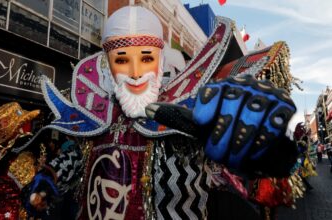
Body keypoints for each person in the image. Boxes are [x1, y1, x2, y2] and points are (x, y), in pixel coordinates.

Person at [21, 6, 299, 220]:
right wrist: (47, 182)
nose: (135, 72)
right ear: (107, 66)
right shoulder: (98, 117)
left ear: (160, 61)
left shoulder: (184, 120)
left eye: (146, 58)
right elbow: (74, 159)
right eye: (121, 60)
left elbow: (222, 164)